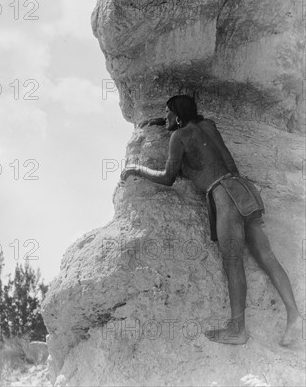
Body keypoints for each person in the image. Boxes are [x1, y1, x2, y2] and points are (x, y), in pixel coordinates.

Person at [121, 95, 302, 346]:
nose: (165, 118)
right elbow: (198, 135)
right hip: (244, 189)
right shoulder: (209, 126)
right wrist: (161, 122)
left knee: (232, 261)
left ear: (178, 116)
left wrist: (136, 169)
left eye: (168, 113)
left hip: (224, 195)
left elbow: (167, 177)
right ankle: (295, 316)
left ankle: (237, 330)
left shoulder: (179, 137)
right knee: (266, 255)